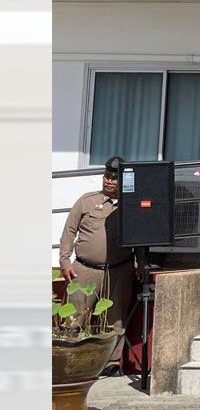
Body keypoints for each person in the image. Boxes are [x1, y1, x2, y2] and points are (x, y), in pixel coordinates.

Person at [57, 156, 135, 373]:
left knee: (115, 319)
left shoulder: (131, 205)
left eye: (115, 178)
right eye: (107, 176)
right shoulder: (87, 201)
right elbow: (69, 232)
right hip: (84, 270)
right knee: (75, 316)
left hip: (119, 270)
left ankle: (111, 364)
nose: (109, 181)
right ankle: (69, 361)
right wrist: (64, 260)